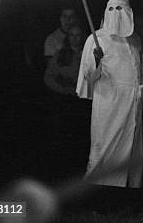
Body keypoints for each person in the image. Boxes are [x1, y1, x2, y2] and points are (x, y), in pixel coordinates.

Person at [75, 0, 143, 213]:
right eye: (113, 8)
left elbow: (142, 76)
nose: (117, 12)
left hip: (132, 106)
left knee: (131, 155)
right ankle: (98, 204)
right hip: (108, 104)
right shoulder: (96, 39)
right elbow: (89, 76)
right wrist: (97, 62)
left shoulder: (135, 40)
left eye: (122, 7)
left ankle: (128, 204)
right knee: (105, 152)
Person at [43, 22, 91, 180]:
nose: (75, 39)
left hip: (84, 103)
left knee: (83, 139)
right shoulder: (61, 55)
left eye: (78, 35)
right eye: (72, 35)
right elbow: (48, 76)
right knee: (64, 138)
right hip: (65, 103)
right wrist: (63, 89)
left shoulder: (90, 54)